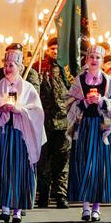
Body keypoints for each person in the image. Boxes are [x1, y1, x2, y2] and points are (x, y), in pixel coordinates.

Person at [0, 48, 45, 223]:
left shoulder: (27, 88)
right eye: (6, 65)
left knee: (18, 171)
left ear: (19, 67)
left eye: (11, 65)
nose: (8, 68)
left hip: (20, 137)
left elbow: (37, 111)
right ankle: (4, 207)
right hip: (2, 135)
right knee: (2, 169)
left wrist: (19, 110)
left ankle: (17, 209)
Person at [66, 44, 111, 223]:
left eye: (98, 57)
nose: (94, 60)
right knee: (85, 165)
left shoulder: (109, 81)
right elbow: (69, 102)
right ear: (87, 59)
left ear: (102, 60)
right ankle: (85, 207)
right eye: (91, 57)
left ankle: (96, 208)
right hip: (85, 128)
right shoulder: (79, 81)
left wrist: (103, 101)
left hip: (103, 128)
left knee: (100, 167)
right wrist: (84, 103)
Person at [36, 35, 71, 209]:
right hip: (44, 122)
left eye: (58, 48)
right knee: (43, 161)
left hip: (64, 122)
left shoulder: (69, 68)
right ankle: (43, 194)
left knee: (62, 161)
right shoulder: (39, 67)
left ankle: (61, 195)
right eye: (52, 48)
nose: (55, 51)